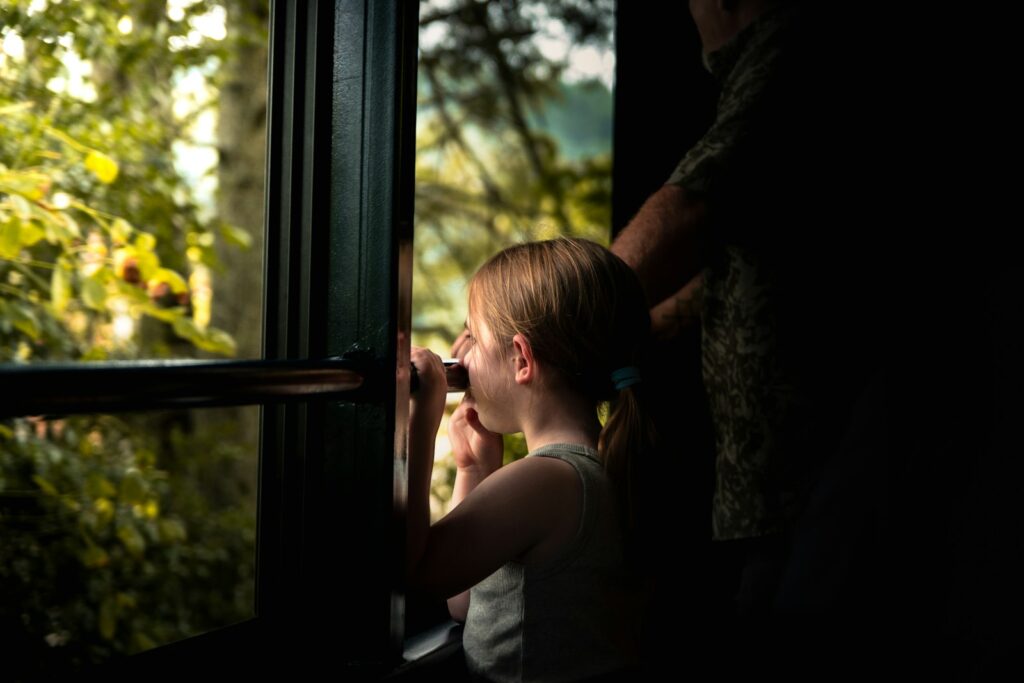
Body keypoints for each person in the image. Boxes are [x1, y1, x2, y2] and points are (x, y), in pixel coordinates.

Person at [610, 0, 882, 626]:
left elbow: (691, 208)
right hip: (782, 497)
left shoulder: (794, 51)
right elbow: (724, 280)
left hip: (821, 481)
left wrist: (558, 310)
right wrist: (616, 335)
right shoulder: (757, 71)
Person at [406, 237, 654, 682]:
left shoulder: (546, 480)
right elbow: (463, 600)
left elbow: (422, 574)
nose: (463, 362)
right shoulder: (602, 466)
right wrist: (474, 470)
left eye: (474, 341)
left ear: (521, 358)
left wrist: (414, 426)